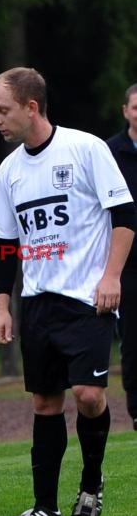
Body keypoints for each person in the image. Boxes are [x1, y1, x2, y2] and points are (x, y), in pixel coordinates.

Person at [0, 67, 135, 516]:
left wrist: (112, 277)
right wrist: (1, 306)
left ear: (31, 107)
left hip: (87, 298)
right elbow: (2, 244)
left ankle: (91, 486)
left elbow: (126, 214)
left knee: (89, 395)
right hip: (37, 303)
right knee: (45, 403)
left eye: (2, 109)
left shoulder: (86, 149)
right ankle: (46, 506)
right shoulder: (8, 170)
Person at [106, 84, 137, 429]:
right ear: (125, 111)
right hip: (127, 263)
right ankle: (136, 408)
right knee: (132, 338)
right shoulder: (110, 152)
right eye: (136, 107)